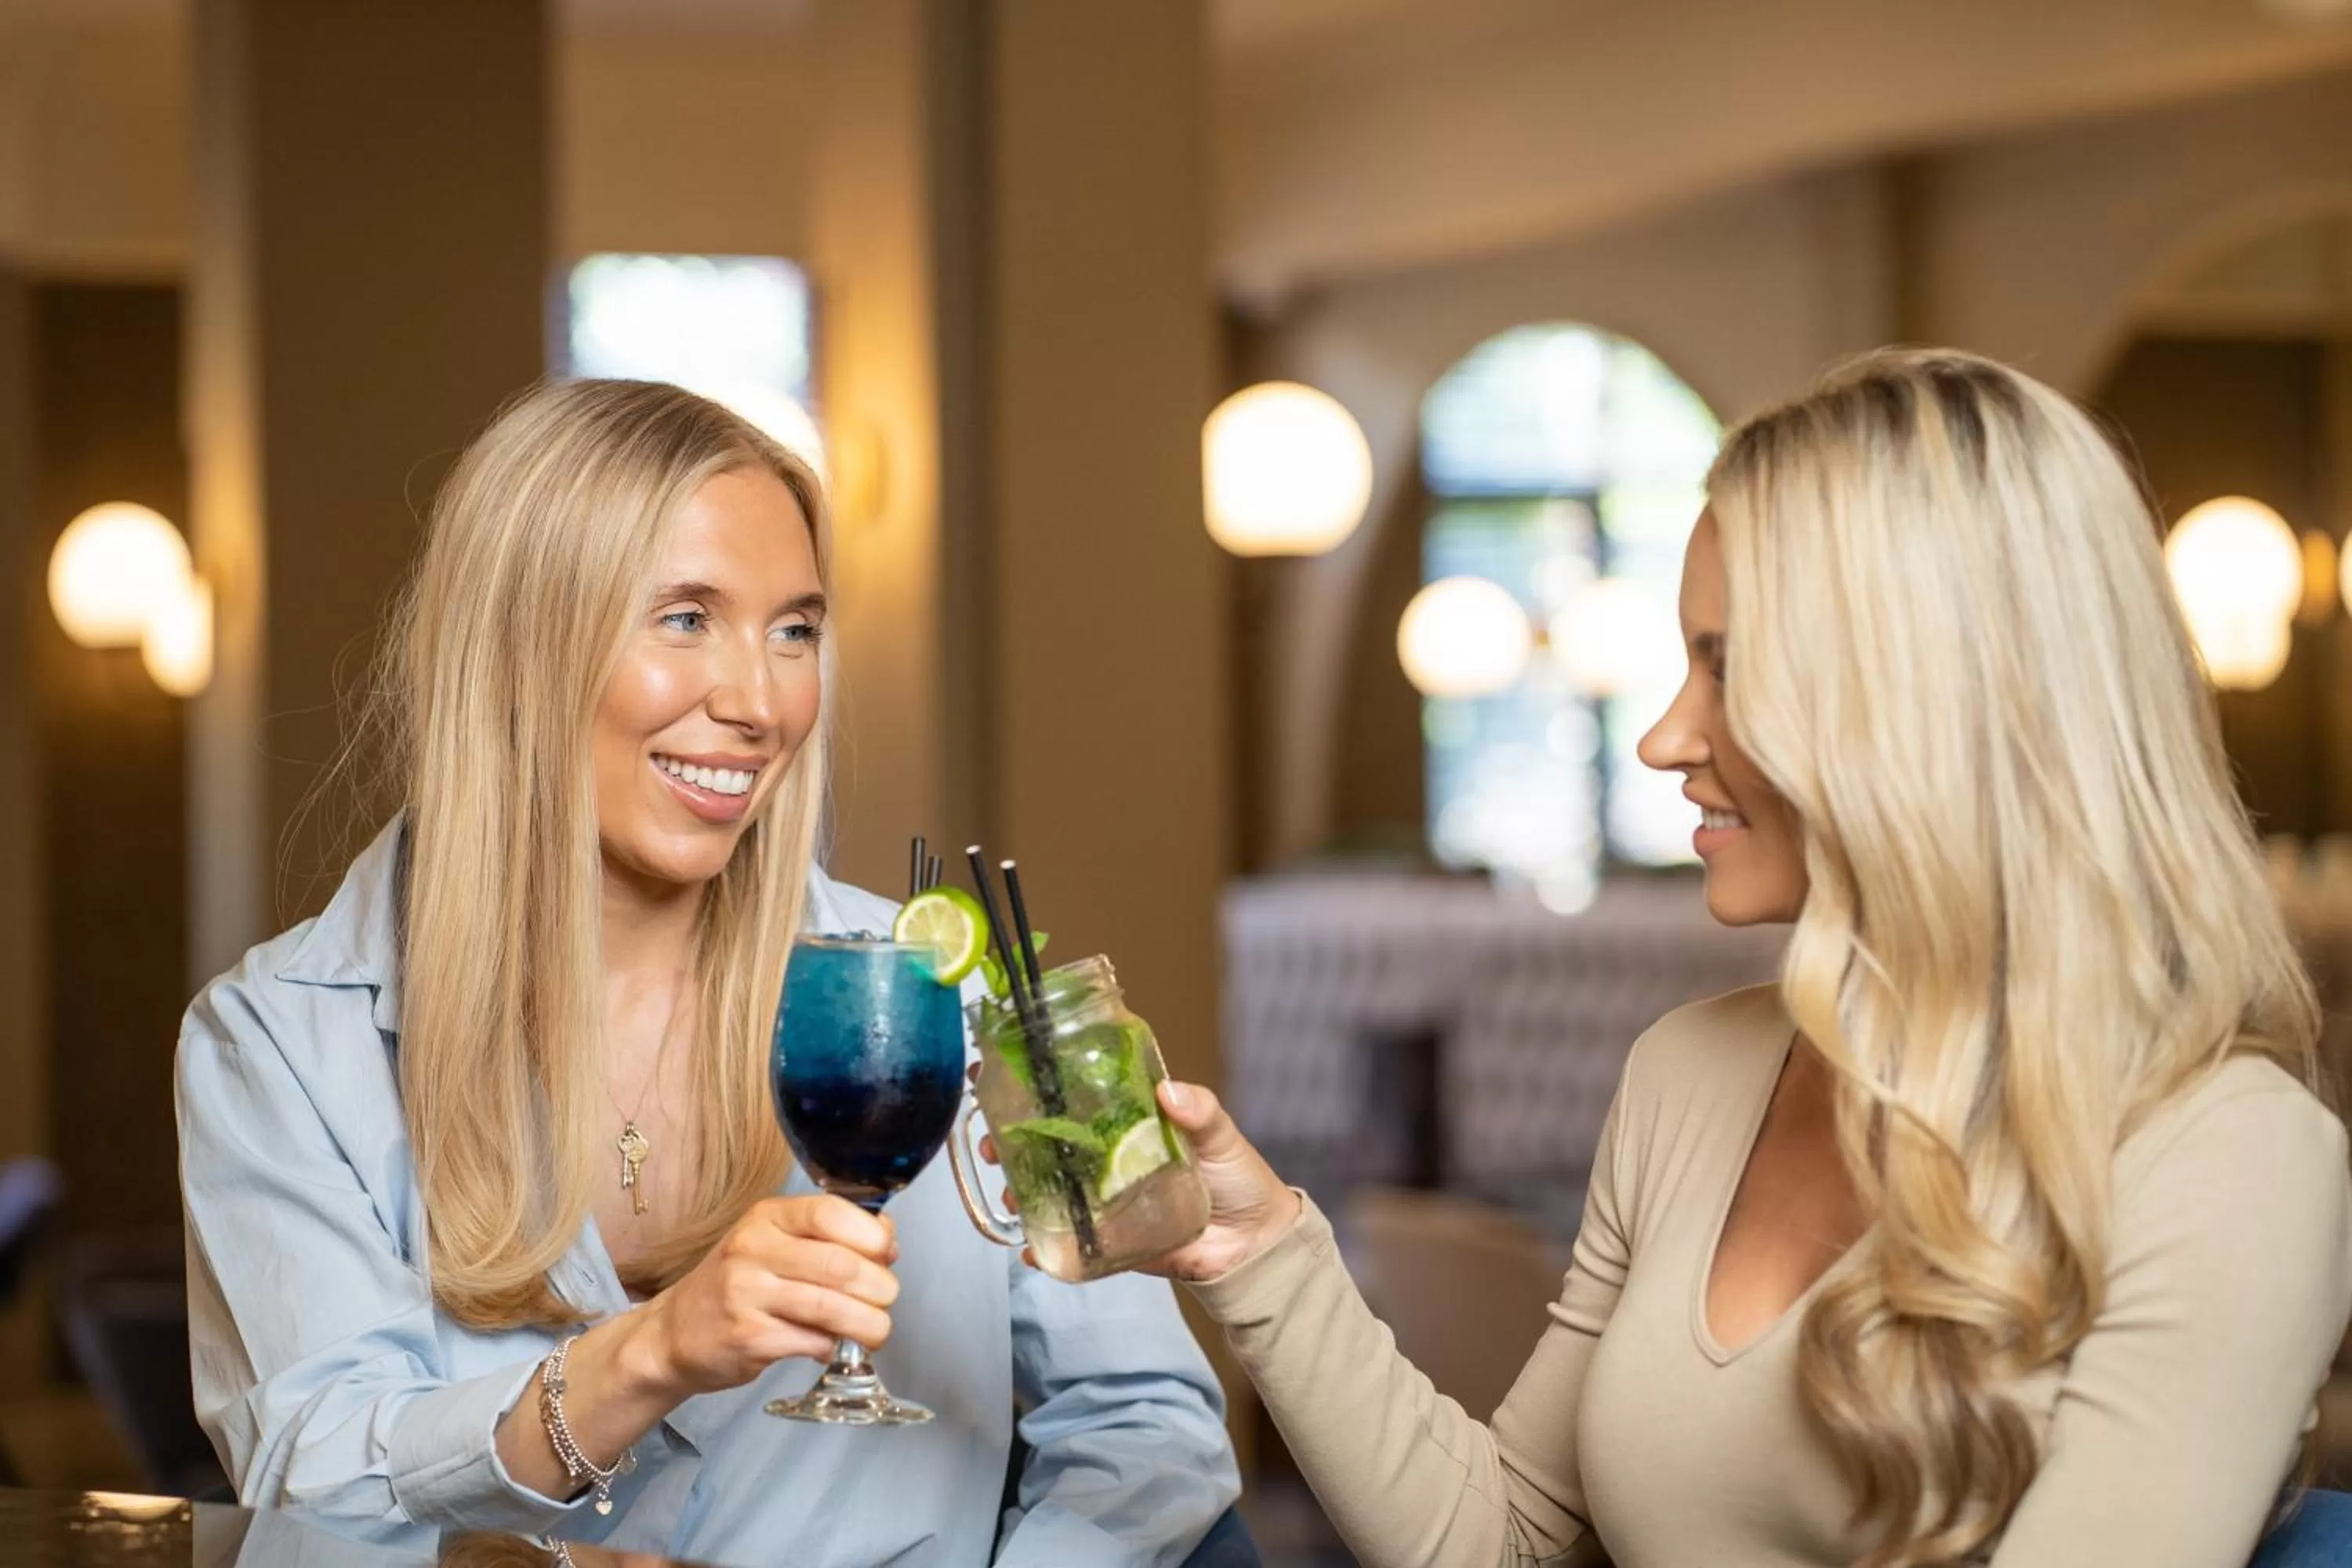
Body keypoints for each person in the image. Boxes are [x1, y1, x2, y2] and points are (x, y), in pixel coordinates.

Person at [1149, 349, 2352, 1567]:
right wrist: (1261, 1251)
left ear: (1926, 699)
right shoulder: (1690, 1074)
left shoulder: (2232, 1156)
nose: (1667, 736)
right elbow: (1506, 1540)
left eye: (1729, 666)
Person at [177, 379, 1239, 1567]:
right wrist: (648, 1355)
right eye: (685, 619)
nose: (757, 702)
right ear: (518, 650)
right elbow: (319, 1476)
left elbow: (1148, 1425)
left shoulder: (941, 997)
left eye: (795, 631)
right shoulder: (276, 1043)